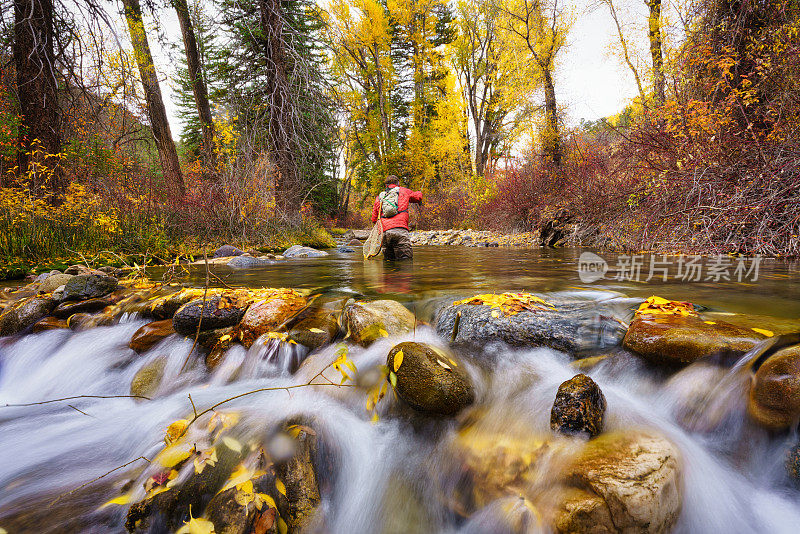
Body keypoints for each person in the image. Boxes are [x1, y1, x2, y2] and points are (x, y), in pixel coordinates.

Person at [371, 175, 423, 260]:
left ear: (386, 185)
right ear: (398, 183)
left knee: (388, 264)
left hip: (384, 233)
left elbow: (374, 219)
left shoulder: (380, 197)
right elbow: (418, 197)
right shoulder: (404, 191)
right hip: (400, 231)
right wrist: (419, 192)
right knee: (405, 262)